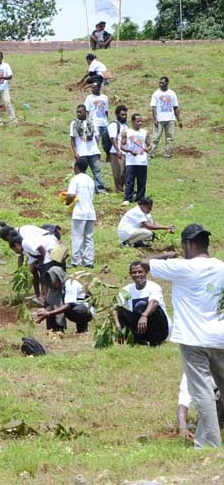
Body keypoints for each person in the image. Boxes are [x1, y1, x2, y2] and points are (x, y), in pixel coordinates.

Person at [142, 224, 224, 448]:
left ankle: (208, 443)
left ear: (187, 244)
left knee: (203, 391)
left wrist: (165, 255)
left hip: (193, 339)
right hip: (220, 338)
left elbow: (144, 264)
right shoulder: (222, 268)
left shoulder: (183, 267)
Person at [115, 261, 170, 345]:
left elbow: (154, 302)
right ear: (130, 274)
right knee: (119, 310)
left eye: (140, 272)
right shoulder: (127, 290)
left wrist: (144, 315)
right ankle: (137, 340)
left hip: (160, 328)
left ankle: (156, 341)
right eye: (134, 272)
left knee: (149, 306)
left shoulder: (154, 286)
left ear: (146, 272)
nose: (137, 275)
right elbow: (114, 306)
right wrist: (118, 327)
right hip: (140, 327)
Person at [35, 262, 94, 333]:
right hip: (71, 309)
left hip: (85, 309)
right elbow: (52, 304)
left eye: (54, 282)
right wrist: (43, 313)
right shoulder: (56, 287)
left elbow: (68, 305)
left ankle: (82, 329)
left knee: (79, 310)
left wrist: (48, 313)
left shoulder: (70, 284)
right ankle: (57, 329)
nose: (52, 286)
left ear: (59, 278)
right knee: (48, 301)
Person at [66, 158, 97, 268]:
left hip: (79, 212)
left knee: (77, 237)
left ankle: (76, 261)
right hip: (90, 212)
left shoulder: (75, 179)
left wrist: (67, 202)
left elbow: (70, 195)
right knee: (88, 237)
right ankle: (89, 261)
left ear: (76, 167)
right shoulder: (90, 180)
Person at [69, 104, 107, 193]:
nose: (78, 114)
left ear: (85, 112)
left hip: (92, 151)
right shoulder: (74, 123)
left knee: (97, 170)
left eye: (80, 112)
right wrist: (75, 152)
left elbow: (97, 136)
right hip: (81, 152)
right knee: (82, 172)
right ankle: (84, 189)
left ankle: (100, 189)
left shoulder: (92, 122)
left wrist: (96, 148)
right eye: (77, 112)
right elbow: (72, 139)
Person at [120, 112, 151, 205]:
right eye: (138, 121)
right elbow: (122, 146)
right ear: (133, 121)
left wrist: (147, 149)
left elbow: (149, 145)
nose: (140, 123)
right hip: (131, 161)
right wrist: (130, 151)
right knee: (129, 180)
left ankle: (140, 198)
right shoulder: (127, 132)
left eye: (141, 121)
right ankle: (127, 198)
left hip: (142, 161)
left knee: (142, 181)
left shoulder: (145, 132)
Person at [150, 76, 182, 158]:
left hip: (170, 119)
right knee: (155, 137)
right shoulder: (156, 94)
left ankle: (167, 154)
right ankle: (151, 153)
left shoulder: (172, 93)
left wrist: (179, 120)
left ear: (167, 83)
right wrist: (155, 119)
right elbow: (153, 107)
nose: (160, 84)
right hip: (160, 119)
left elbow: (175, 107)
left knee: (169, 138)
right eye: (159, 82)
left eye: (162, 82)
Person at [84, 83, 110, 157]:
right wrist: (88, 122)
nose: (92, 89)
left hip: (104, 123)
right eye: (91, 88)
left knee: (106, 141)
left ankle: (108, 155)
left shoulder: (105, 97)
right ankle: (96, 156)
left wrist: (106, 120)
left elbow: (106, 110)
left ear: (99, 87)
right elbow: (87, 110)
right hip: (95, 123)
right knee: (96, 140)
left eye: (94, 87)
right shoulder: (89, 98)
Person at [107, 105, 128, 193]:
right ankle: (119, 189)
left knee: (125, 172)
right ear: (117, 114)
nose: (124, 117)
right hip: (116, 152)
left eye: (125, 115)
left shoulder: (125, 125)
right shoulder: (114, 125)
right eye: (122, 115)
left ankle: (125, 188)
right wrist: (118, 150)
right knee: (118, 173)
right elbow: (113, 138)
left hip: (125, 152)